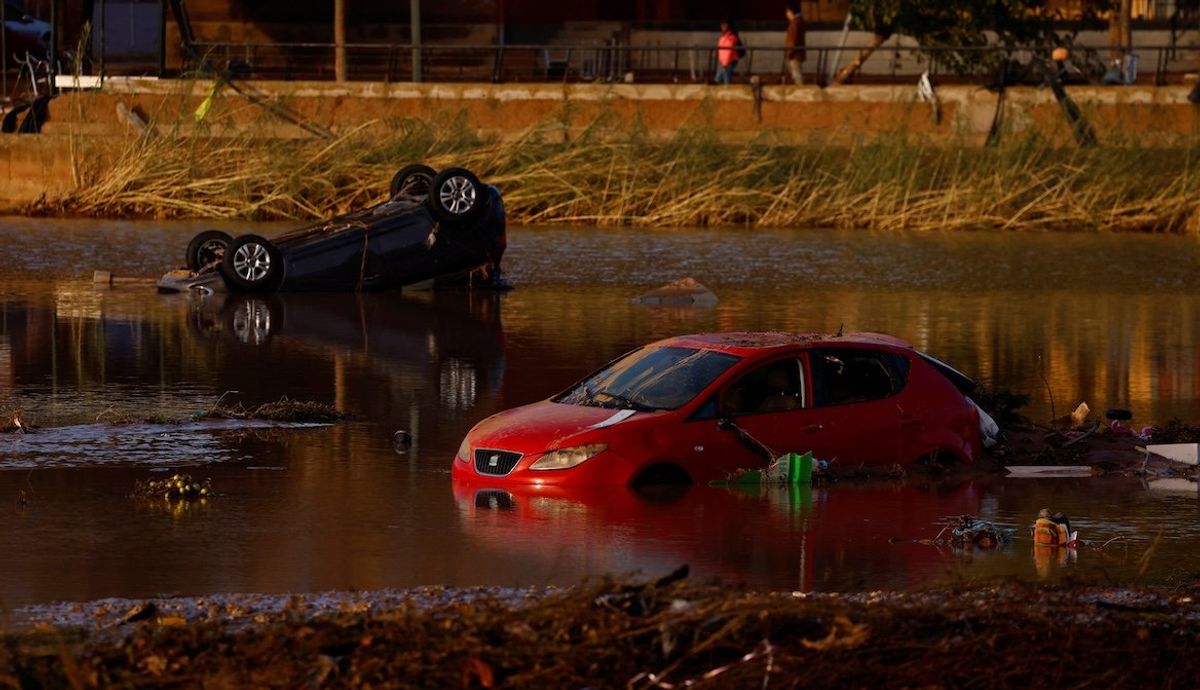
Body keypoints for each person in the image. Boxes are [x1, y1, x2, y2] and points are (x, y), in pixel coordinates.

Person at [784, 3, 806, 85]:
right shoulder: (799, 22)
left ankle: (800, 91)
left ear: (791, 12)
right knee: (796, 73)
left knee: (796, 74)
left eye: (787, 12)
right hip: (798, 53)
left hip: (794, 54)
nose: (786, 14)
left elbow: (792, 40)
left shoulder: (794, 24)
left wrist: (789, 53)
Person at [714, 19, 741, 85]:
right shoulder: (723, 36)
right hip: (723, 61)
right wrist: (721, 61)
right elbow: (721, 50)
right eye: (722, 25)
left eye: (724, 25)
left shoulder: (731, 37)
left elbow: (728, 51)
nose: (722, 27)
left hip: (729, 61)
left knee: (725, 77)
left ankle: (726, 89)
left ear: (728, 26)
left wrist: (725, 63)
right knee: (719, 77)